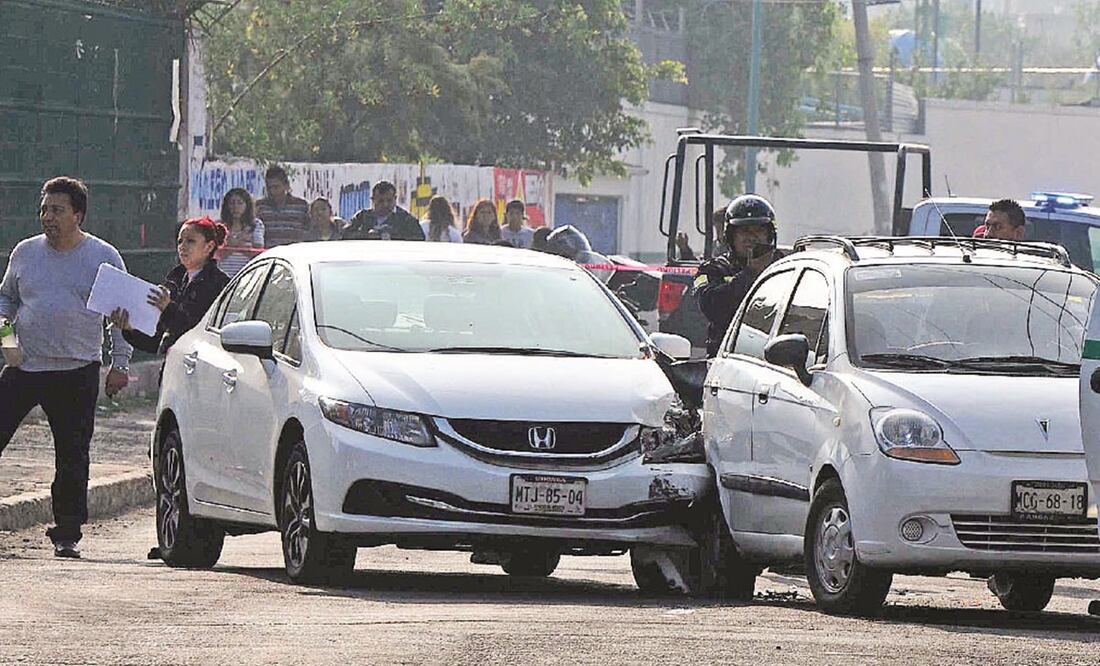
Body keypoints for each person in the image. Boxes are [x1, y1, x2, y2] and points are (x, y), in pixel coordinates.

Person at [0, 176, 132, 559]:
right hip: (26, 367)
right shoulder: (25, 253)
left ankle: (67, 533)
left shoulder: (103, 257)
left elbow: (119, 316)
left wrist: (119, 365)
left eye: (57, 210)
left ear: (78, 214)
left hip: (77, 370)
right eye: (44, 209)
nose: (48, 217)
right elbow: (5, 300)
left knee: (72, 453)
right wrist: (7, 340)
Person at [109, 217, 231, 360]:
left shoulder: (219, 284)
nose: (182, 246)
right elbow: (158, 341)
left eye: (190, 241)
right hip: (173, 368)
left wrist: (168, 309)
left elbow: (196, 333)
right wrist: (130, 329)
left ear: (208, 247)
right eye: (180, 241)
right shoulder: (175, 281)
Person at [693, 194, 784, 357]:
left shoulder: (786, 267)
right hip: (729, 359)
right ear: (730, 236)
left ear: (770, 235)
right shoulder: (713, 269)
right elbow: (713, 309)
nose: (751, 237)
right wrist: (750, 274)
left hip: (777, 359)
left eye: (758, 230)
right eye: (744, 231)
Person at [344, 180, 425, 240]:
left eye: (389, 201)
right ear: (373, 200)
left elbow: (419, 238)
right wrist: (366, 235)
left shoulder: (406, 220)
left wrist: (393, 236)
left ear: (395, 199)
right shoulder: (362, 217)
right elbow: (344, 235)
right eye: (380, 201)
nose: (385, 205)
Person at [256, 165, 310, 247]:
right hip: (268, 254)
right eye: (269, 188)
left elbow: (309, 231)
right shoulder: (260, 207)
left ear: (286, 186)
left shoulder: (301, 206)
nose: (272, 191)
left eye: (276, 187)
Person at [216, 188, 264, 278]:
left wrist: (235, 245)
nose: (236, 207)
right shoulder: (219, 226)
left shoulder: (255, 225)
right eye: (232, 203)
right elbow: (215, 255)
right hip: (222, 276)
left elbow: (258, 253)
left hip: (247, 275)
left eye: (240, 203)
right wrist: (234, 244)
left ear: (247, 206)